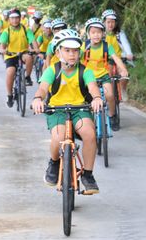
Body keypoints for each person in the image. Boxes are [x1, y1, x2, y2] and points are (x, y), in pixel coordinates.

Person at [31, 29, 104, 195]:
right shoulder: (52, 70)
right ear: (58, 52)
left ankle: (88, 174)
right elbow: (43, 88)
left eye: (75, 51)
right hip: (57, 111)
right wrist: (37, 99)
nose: (72, 54)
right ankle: (54, 163)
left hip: (80, 109)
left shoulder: (85, 71)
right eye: (67, 50)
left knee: (90, 134)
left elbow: (92, 87)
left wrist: (97, 98)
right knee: (57, 138)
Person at [82, 18, 129, 131]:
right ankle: (86, 119)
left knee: (110, 96)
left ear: (103, 33)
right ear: (88, 34)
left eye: (99, 32)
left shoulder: (107, 46)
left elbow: (116, 59)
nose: (96, 35)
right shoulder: (84, 46)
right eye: (93, 32)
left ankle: (112, 116)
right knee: (85, 99)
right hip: (88, 77)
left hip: (103, 76)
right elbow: (75, 57)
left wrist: (123, 69)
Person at [0, 9, 36, 107]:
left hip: (23, 53)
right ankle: (10, 95)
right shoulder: (6, 31)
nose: (14, 20)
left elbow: (32, 41)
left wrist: (36, 49)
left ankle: (27, 77)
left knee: (29, 58)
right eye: (12, 18)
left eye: (16, 18)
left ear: (20, 19)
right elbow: (2, 45)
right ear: (9, 20)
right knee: (10, 72)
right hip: (11, 54)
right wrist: (3, 50)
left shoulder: (26, 29)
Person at [101, 9, 133, 101]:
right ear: (104, 22)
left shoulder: (119, 34)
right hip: (107, 60)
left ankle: (122, 89)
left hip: (120, 58)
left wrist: (129, 54)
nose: (110, 24)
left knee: (124, 75)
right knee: (108, 76)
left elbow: (125, 44)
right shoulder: (101, 35)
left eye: (113, 22)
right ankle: (108, 93)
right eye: (108, 22)